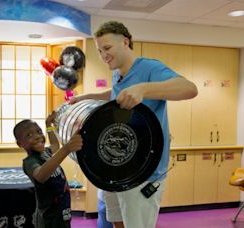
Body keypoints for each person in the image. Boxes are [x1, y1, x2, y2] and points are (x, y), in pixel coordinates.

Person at [69, 21, 198, 228]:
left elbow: (189, 89)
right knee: (117, 222)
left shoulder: (149, 68)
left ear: (125, 42)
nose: (103, 55)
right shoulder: (118, 73)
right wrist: (87, 96)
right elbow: (115, 96)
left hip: (143, 174)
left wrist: (144, 89)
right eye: (100, 50)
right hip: (118, 167)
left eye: (108, 48)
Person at [13, 111, 83, 228]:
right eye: (29, 135)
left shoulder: (46, 153)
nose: (37, 136)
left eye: (39, 132)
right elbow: (41, 175)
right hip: (49, 219)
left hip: (63, 210)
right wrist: (67, 148)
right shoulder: (30, 162)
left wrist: (48, 125)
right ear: (20, 143)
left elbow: (55, 144)